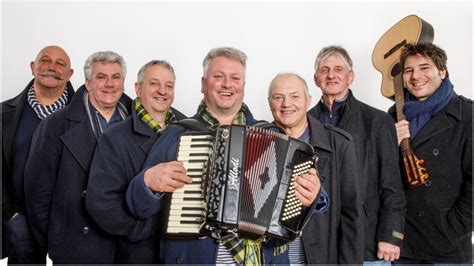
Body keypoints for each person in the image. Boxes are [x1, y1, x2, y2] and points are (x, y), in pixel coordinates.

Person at [125, 47, 323, 264]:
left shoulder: (274, 136)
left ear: (243, 87)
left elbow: (314, 202)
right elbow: (137, 206)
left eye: (235, 78)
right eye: (218, 77)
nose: (227, 84)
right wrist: (147, 182)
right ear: (203, 84)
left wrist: (312, 195)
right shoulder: (179, 134)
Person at [23, 51, 132, 263]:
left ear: (124, 83)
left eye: (116, 77)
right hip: (75, 246)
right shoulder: (56, 124)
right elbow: (37, 192)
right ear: (88, 83)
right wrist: (54, 240)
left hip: (128, 245)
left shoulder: (136, 120)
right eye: (101, 77)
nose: (109, 84)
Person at [308, 45, 407, 264]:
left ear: (350, 77)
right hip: (318, 241)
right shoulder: (304, 122)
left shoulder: (377, 121)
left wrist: (390, 235)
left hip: (366, 240)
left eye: (338, 69)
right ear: (316, 79)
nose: (331, 75)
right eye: (324, 70)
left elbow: (392, 184)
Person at [85, 60, 187, 263]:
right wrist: (145, 229)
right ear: (138, 89)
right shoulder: (114, 137)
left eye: (169, 85)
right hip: (137, 253)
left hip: (181, 253)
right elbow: (101, 204)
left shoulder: (189, 129)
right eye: (154, 84)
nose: (162, 91)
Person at [268, 72, 364, 264]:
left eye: (295, 96)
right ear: (270, 103)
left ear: (308, 100)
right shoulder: (258, 140)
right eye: (278, 97)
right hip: (269, 256)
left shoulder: (339, 144)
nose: (286, 104)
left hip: (317, 257)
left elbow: (351, 218)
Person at [392, 43, 472, 264]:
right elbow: (385, 180)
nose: (416, 76)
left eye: (424, 68)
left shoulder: (468, 115)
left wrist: (453, 228)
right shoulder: (394, 116)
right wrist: (392, 144)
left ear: (442, 71)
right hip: (404, 246)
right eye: (409, 70)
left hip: (448, 248)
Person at [1, 45, 74, 263]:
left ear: (70, 74)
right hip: (19, 220)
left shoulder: (85, 114)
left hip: (71, 221)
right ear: (33, 67)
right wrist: (9, 213)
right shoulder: (4, 115)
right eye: (45, 60)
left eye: (61, 64)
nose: (52, 67)